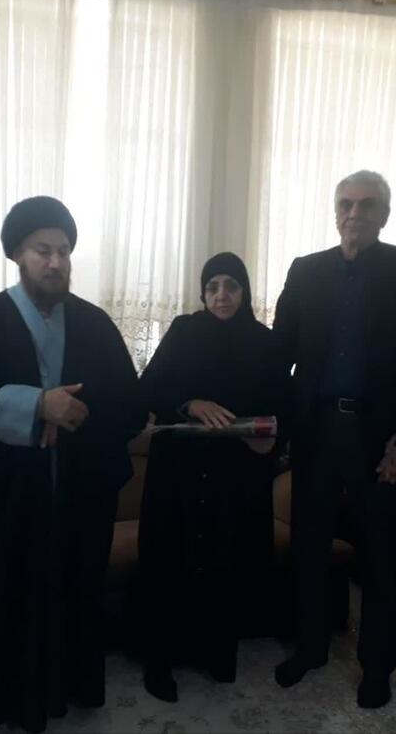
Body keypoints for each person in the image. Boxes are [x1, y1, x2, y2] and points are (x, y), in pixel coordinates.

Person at [0, 196, 145, 734]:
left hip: (78, 497)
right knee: (6, 599)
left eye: (63, 251)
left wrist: (77, 412)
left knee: (72, 594)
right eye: (42, 250)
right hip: (5, 500)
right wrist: (35, 405)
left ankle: (66, 690)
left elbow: (130, 405)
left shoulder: (95, 324)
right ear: (18, 254)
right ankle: (9, 700)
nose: (55, 262)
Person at [271, 170, 396, 707]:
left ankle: (377, 667)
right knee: (309, 549)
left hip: (381, 440)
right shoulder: (306, 270)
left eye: (367, 205)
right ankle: (311, 647)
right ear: (335, 210)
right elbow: (279, 355)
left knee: (382, 558)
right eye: (345, 203)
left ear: (384, 214)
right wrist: (276, 428)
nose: (354, 213)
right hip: (317, 433)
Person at [136, 252, 289, 703]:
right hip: (179, 471)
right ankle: (160, 661)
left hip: (234, 475)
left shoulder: (264, 342)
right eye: (213, 287)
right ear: (202, 294)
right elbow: (149, 388)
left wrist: (270, 441)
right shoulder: (184, 331)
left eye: (231, 286)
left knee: (226, 563)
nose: (222, 295)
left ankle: (216, 651)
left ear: (245, 292)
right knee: (169, 561)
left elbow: (284, 405)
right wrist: (191, 403)